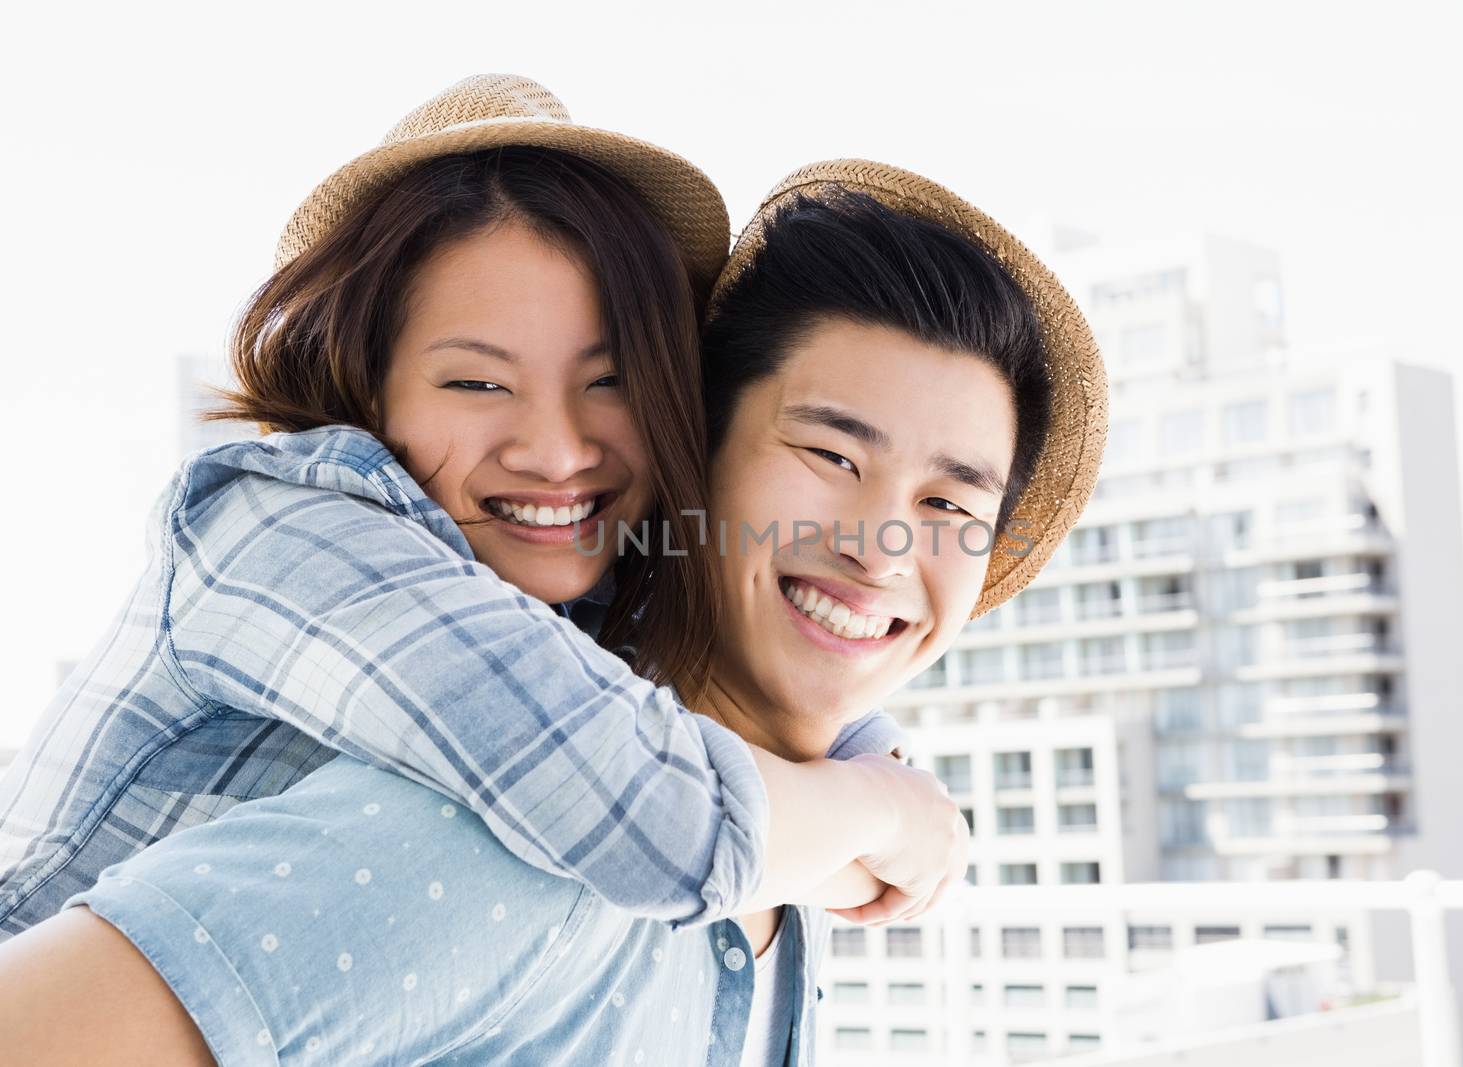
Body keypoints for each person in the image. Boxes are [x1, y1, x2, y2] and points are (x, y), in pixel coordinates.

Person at [0, 164, 1108, 1066]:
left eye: (949, 502)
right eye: (827, 454)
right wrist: (889, 807)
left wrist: (875, 790)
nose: (882, 545)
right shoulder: (512, 832)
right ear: (696, 451)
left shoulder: (787, 861)